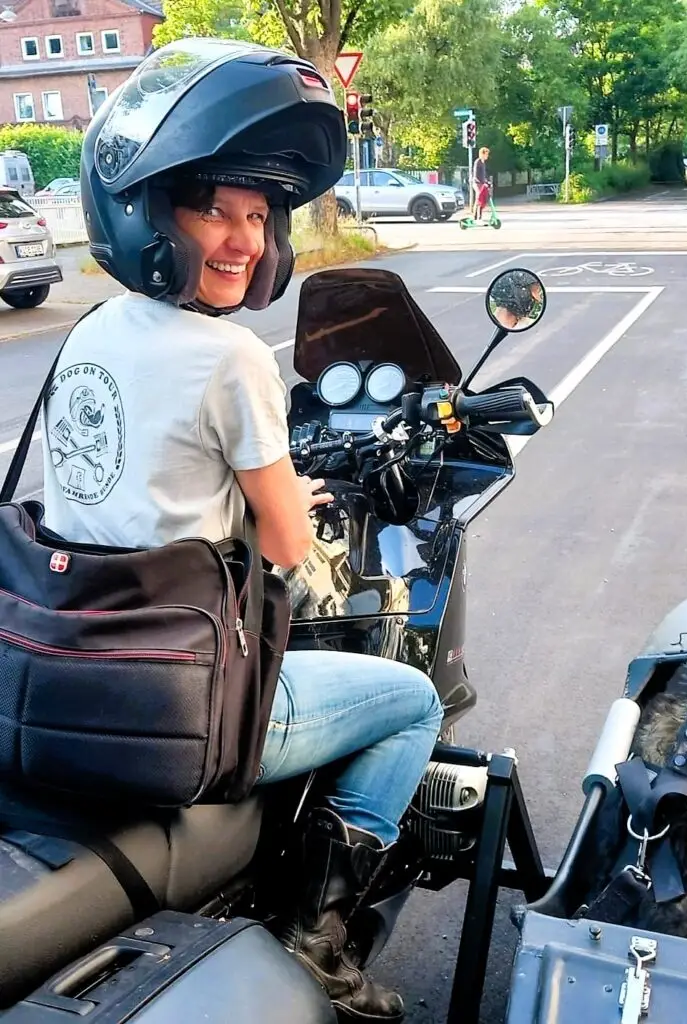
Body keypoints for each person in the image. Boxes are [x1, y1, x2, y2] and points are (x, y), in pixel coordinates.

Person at [44, 37, 442, 1024]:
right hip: (172, 703)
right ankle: (322, 942)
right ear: (150, 213)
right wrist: (299, 517)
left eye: (258, 216)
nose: (241, 238)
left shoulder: (88, 333)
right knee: (410, 699)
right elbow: (280, 547)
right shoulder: (229, 357)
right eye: (214, 207)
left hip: (64, 666)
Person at [472, 146, 490, 220]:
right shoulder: (477, 162)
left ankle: (479, 217)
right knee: (479, 197)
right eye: (486, 154)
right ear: (482, 154)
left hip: (482, 183)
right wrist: (482, 182)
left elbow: (483, 175)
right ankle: (475, 217)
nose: (487, 156)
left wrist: (487, 182)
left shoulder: (483, 163)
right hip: (476, 183)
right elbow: (476, 175)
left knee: (483, 199)